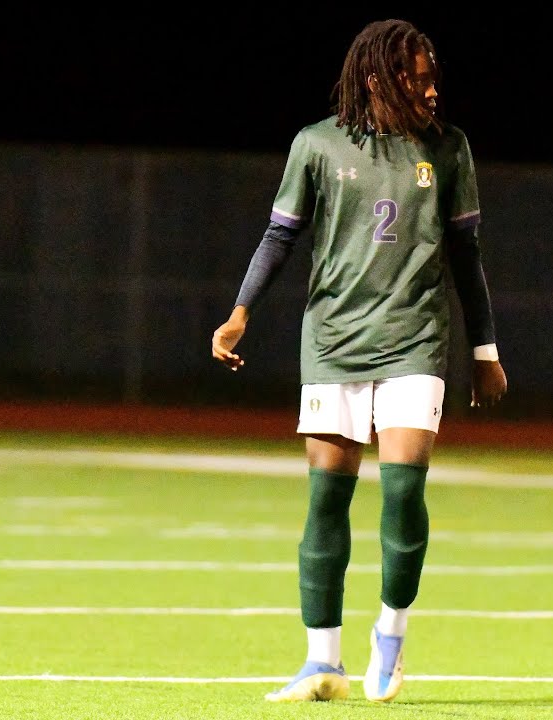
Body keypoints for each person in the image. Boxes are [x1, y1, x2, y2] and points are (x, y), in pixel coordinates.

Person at [210, 18, 507, 704]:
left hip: (415, 339)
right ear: (377, 79)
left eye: (434, 77)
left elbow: (466, 256)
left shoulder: (449, 149)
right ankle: (321, 662)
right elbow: (279, 236)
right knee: (327, 499)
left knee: (403, 491)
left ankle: (390, 635)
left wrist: (485, 349)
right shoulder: (316, 145)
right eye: (418, 78)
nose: (432, 90)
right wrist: (240, 311)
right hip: (334, 341)